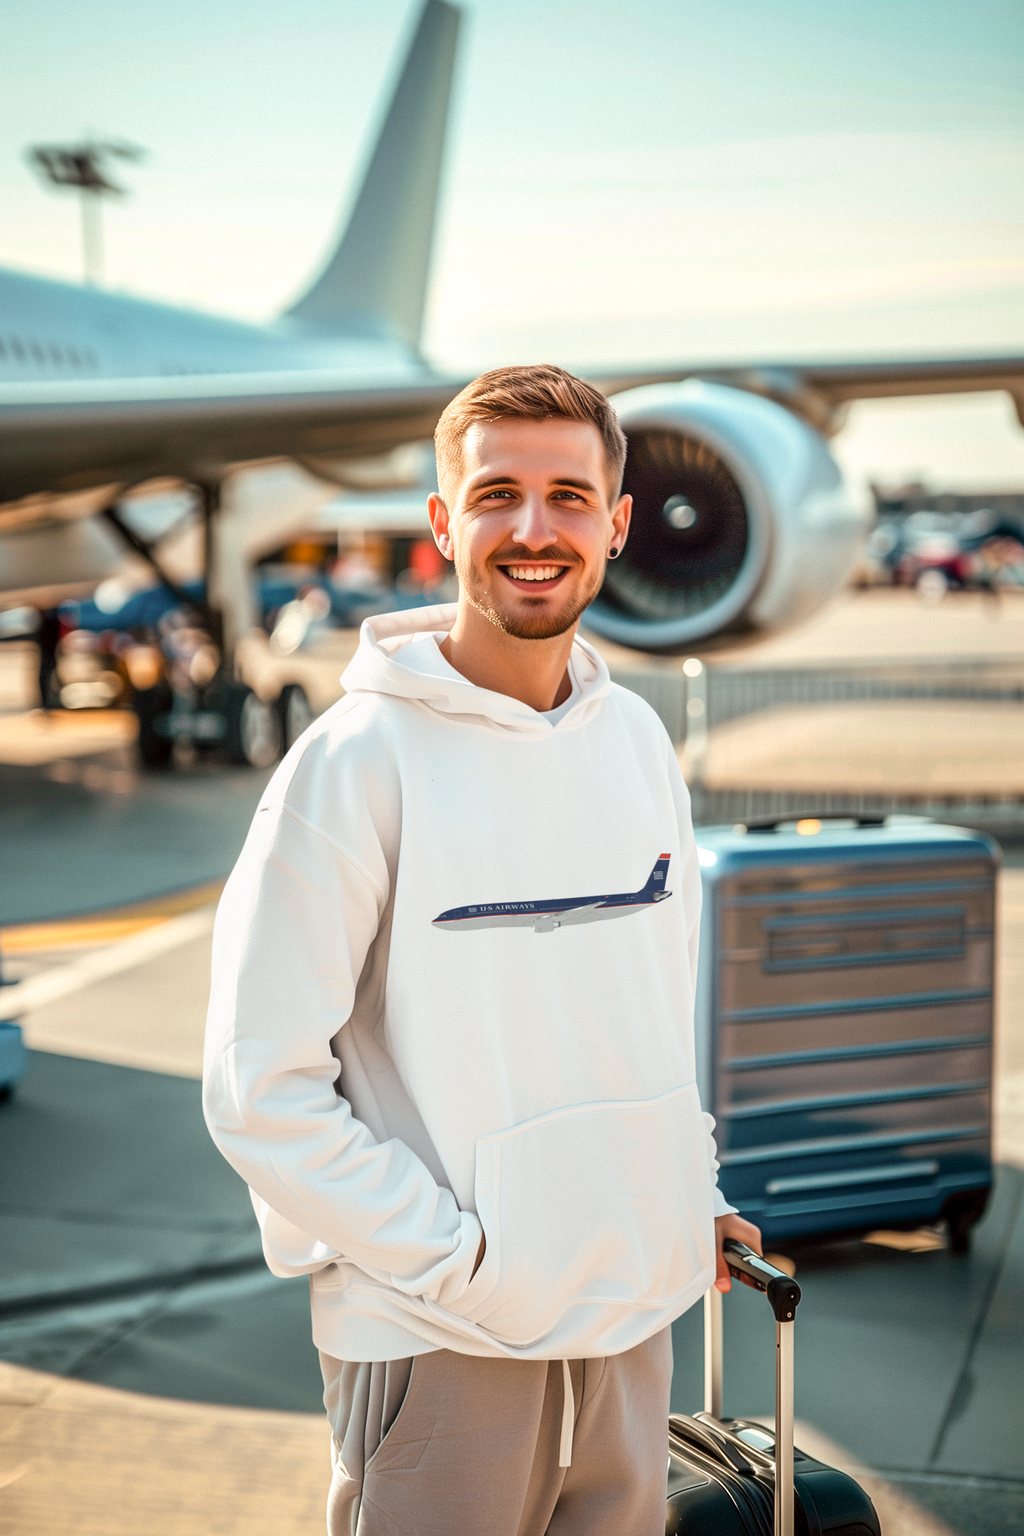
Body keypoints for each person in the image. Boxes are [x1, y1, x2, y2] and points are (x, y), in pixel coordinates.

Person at [203, 364, 761, 1536]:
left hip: (632, 1312)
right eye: (497, 492)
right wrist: (462, 1266)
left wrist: (685, 1194)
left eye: (568, 495)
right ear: (443, 523)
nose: (532, 528)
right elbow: (259, 1092)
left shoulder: (638, 738)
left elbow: (652, 1012)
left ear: (615, 523)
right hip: (439, 1337)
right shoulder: (356, 762)